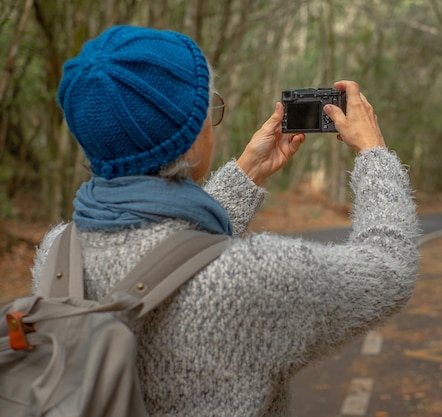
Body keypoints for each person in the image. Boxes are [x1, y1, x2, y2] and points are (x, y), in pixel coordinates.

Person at [31, 25, 419, 417]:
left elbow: (167, 251)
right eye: (207, 109)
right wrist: (373, 154)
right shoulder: (254, 278)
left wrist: (247, 172)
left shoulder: (59, 255)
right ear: (190, 134)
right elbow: (389, 269)